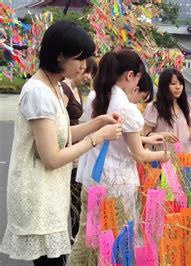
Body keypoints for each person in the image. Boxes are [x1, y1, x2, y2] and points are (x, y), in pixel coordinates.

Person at [0, 20, 122, 266]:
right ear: (59, 56)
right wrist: (96, 138)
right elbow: (52, 157)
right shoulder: (38, 93)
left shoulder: (53, 87)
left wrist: (98, 123)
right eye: (79, 58)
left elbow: (62, 133)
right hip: (37, 195)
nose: (84, 65)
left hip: (48, 193)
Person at [68, 49, 169, 265]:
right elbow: (138, 155)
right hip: (117, 186)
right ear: (130, 75)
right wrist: (165, 155)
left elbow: (117, 141)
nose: (137, 86)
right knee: (115, 243)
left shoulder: (96, 96)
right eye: (139, 79)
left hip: (93, 181)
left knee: (87, 240)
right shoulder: (127, 109)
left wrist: (145, 140)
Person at [61, 56, 98, 240]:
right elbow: (60, 124)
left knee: (78, 200)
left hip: (77, 149)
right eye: (87, 71)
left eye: (91, 73)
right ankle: (74, 239)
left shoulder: (76, 90)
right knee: (75, 201)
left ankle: (76, 238)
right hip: (69, 150)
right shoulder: (65, 88)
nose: (89, 77)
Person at [143, 68, 191, 154]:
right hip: (162, 157)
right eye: (173, 84)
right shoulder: (154, 107)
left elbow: (186, 130)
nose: (178, 87)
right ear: (164, 85)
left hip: (184, 157)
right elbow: (146, 135)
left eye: (181, 84)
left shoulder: (186, 106)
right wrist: (162, 135)